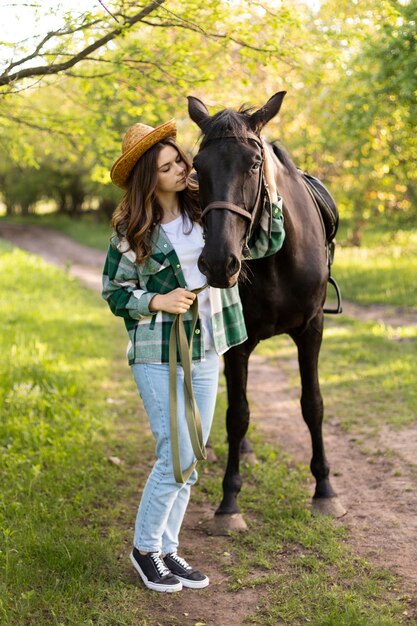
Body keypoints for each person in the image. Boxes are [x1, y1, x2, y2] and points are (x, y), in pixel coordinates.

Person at [102, 118, 285, 593]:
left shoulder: (206, 211)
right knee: (174, 455)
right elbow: (115, 291)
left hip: (204, 348)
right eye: (168, 166)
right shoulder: (133, 228)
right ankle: (146, 550)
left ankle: (168, 549)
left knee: (192, 456)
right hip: (157, 352)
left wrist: (273, 193)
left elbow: (264, 243)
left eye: (179, 159)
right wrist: (156, 301)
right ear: (151, 178)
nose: (181, 169)